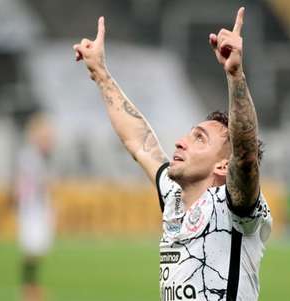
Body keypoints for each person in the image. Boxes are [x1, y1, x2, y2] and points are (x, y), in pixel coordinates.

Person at [73, 7, 272, 300]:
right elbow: (140, 143)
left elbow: (245, 157)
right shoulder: (174, 197)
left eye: (199, 139)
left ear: (222, 165)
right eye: (190, 134)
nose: (180, 142)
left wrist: (235, 76)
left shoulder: (235, 209)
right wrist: (101, 74)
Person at [15, 113, 55, 301]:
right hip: (32, 210)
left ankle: (31, 286)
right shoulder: (30, 156)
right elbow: (33, 185)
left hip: (37, 208)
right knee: (32, 249)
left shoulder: (38, 156)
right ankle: (28, 289)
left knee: (37, 250)